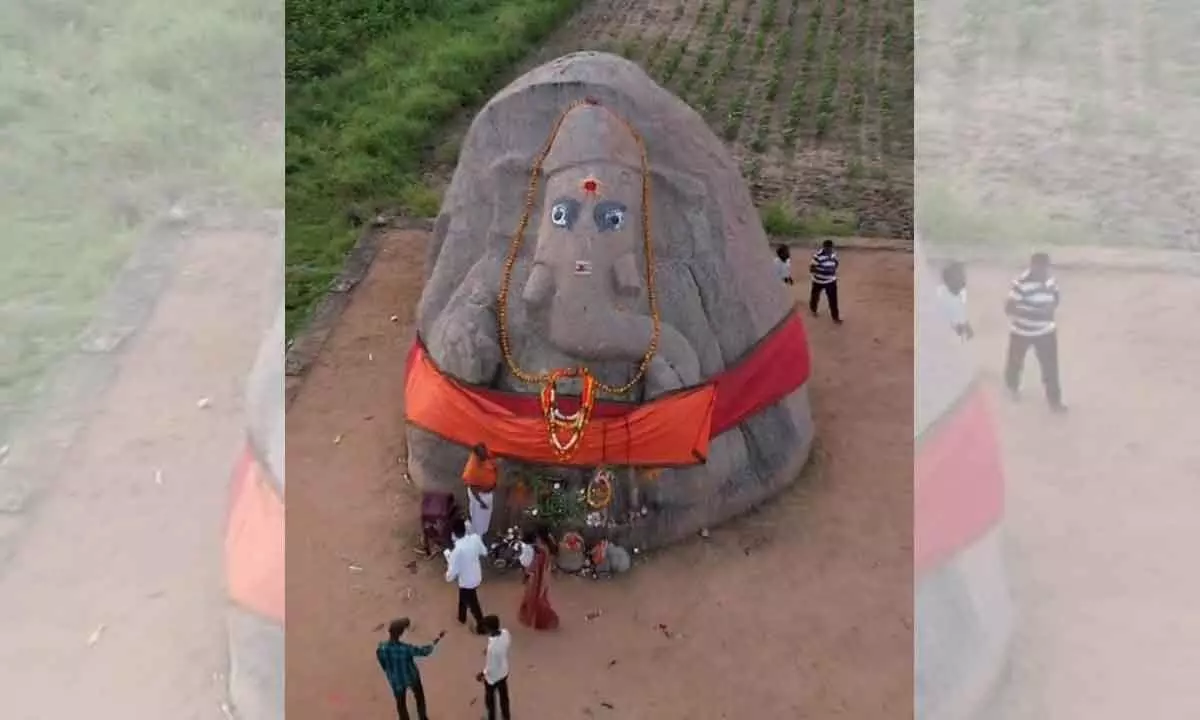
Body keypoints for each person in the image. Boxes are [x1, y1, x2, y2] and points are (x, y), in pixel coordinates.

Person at [1004, 252, 1067, 412]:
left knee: (1050, 369)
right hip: (1021, 331)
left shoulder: (1050, 281)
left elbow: (1056, 298)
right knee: (1015, 363)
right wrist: (1037, 314)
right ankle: (1012, 387)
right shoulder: (1020, 283)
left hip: (1045, 331)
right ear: (1032, 267)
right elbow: (1009, 308)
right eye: (1040, 270)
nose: (1043, 273)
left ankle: (1054, 401)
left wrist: (1050, 310)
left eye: (1045, 269)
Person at [376, 618, 445, 720]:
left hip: (396, 680)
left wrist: (389, 672)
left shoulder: (382, 648)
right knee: (419, 697)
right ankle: (422, 717)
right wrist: (436, 641)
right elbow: (424, 652)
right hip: (410, 676)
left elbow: (381, 661)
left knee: (400, 703)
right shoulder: (405, 648)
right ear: (400, 633)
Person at [444, 516, 489, 632]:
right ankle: (461, 617)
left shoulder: (456, 551)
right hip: (477, 575)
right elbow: (484, 552)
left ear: (453, 534)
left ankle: (481, 624)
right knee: (464, 597)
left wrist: (448, 558)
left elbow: (451, 575)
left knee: (473, 602)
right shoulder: (475, 538)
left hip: (466, 582)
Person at [518, 526, 560, 630]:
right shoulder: (547, 545)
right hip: (543, 574)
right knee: (540, 596)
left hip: (538, 576)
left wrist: (529, 572)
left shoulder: (540, 549)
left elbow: (533, 564)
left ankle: (540, 619)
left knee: (535, 597)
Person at [475, 615, 513, 720]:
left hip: (492, 678)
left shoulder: (492, 648)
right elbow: (504, 645)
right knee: (504, 697)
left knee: (490, 700)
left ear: (488, 628)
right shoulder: (506, 633)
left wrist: (482, 674)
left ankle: (491, 718)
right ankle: (506, 716)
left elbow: (490, 666)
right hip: (504, 672)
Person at [462, 443, 498, 539]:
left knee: (482, 515)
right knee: (479, 518)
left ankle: (477, 529)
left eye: (485, 452)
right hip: (480, 496)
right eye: (483, 455)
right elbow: (474, 490)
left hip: (487, 493)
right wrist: (481, 502)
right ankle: (478, 535)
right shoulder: (472, 470)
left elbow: (494, 466)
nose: (485, 455)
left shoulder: (487, 456)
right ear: (477, 455)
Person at [936, 261, 973, 340]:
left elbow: (960, 315)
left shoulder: (958, 293)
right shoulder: (942, 296)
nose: (964, 282)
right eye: (961, 278)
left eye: (963, 278)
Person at [808, 239, 842, 323]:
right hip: (818, 281)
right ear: (824, 248)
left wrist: (832, 270)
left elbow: (836, 263)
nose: (829, 250)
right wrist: (825, 271)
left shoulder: (833, 255)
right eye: (828, 249)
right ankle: (813, 310)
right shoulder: (817, 256)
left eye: (830, 249)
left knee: (833, 300)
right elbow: (812, 269)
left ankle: (835, 317)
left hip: (831, 281)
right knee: (815, 297)